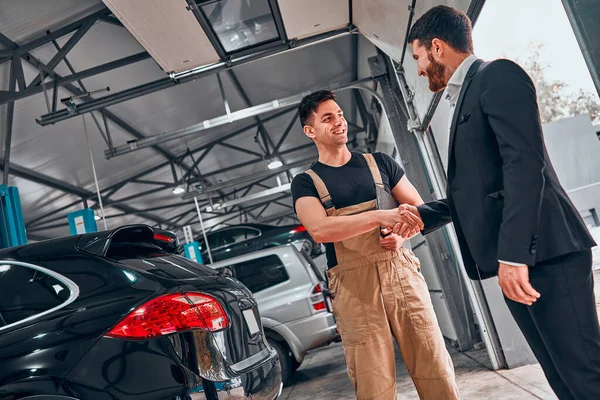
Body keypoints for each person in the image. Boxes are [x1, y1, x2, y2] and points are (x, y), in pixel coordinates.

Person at [406, 5, 600, 400]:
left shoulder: (497, 75)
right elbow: (481, 188)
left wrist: (514, 256)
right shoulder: (467, 93)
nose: (420, 69)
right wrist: (423, 215)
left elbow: (525, 167)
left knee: (585, 377)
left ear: (437, 47)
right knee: (562, 379)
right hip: (523, 260)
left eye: (419, 58)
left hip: (546, 254)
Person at [290, 90, 460, 400]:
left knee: (434, 364)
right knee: (373, 382)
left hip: (401, 274)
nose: (339, 122)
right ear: (310, 131)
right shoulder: (306, 182)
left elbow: (417, 211)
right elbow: (319, 229)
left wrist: (402, 235)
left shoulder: (379, 163)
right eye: (328, 118)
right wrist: (381, 215)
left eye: (340, 114)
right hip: (354, 287)